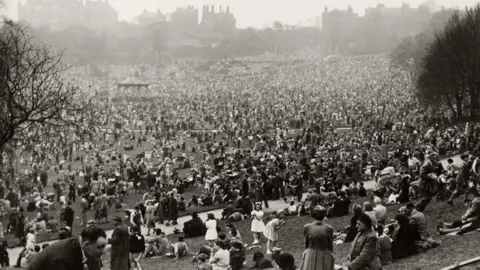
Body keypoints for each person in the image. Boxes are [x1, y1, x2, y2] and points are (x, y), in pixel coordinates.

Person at [26, 226, 107, 270]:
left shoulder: (87, 249)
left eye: (104, 246)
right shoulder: (62, 257)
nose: (103, 251)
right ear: (87, 244)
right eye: (100, 247)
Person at [298, 205, 334, 270]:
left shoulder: (307, 227)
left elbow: (306, 243)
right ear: (324, 216)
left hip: (310, 253)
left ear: (313, 215)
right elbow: (330, 244)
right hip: (324, 253)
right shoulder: (329, 228)